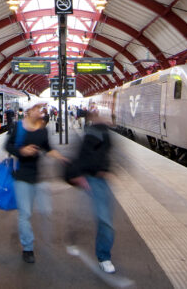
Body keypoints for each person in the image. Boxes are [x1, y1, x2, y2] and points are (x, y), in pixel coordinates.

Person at [6, 101, 67, 263]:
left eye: (41, 109)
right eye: (37, 109)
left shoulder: (43, 130)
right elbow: (7, 145)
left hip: (40, 177)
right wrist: (21, 151)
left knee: (46, 210)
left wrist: (59, 156)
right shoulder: (18, 128)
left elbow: (47, 147)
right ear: (29, 111)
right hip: (22, 177)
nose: (40, 112)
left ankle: (45, 241)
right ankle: (28, 248)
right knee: (25, 214)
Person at [67, 105, 117, 274]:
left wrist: (107, 169)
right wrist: (80, 174)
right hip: (92, 178)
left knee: (100, 217)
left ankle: (76, 239)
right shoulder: (91, 132)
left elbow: (106, 152)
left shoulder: (102, 130)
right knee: (103, 219)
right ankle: (103, 256)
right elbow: (84, 154)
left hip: (100, 179)